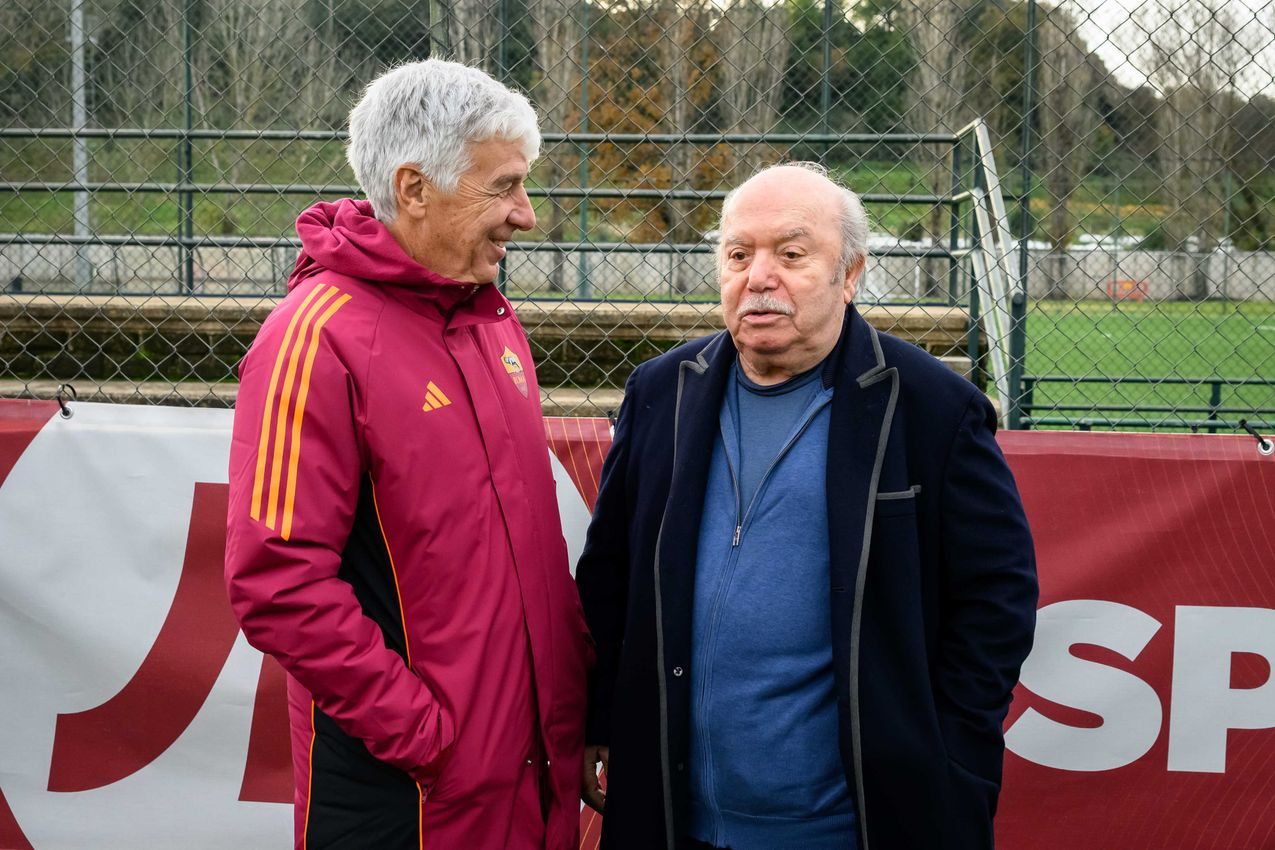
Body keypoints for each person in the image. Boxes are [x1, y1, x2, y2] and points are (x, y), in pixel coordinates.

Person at [574, 162, 1038, 850]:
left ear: (848, 274)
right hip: (673, 818)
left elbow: (996, 598)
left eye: (791, 255)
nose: (758, 277)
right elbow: (609, 577)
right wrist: (602, 721)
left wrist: (944, 756)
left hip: (850, 826)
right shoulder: (660, 392)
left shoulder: (931, 408)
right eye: (737, 255)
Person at [224, 59, 592, 850]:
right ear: (414, 187)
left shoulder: (492, 320)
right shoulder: (314, 336)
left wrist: (575, 712)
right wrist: (431, 741)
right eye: (504, 187)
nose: (525, 215)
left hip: (532, 776)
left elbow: (527, 556)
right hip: (414, 797)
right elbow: (276, 581)